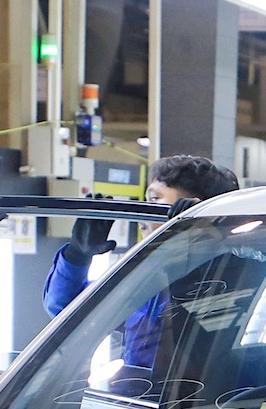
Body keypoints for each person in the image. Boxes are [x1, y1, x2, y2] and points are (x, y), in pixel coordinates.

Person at [40, 153, 237, 371]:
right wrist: (77, 256)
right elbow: (68, 312)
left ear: (195, 209)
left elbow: (205, 353)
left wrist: (192, 243)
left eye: (154, 200)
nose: (144, 215)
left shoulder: (234, 277)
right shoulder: (147, 279)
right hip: (137, 399)